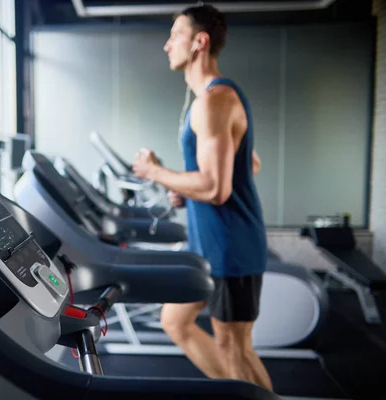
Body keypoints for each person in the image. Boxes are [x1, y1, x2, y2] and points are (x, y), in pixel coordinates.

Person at [132, 4, 273, 391]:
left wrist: (155, 173)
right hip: (208, 245)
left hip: (231, 247)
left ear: (199, 42)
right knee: (174, 322)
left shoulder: (215, 100)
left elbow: (216, 188)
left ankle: (247, 394)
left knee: (237, 349)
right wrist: (182, 188)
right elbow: (251, 164)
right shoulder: (211, 100)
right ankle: (235, 394)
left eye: (175, 35)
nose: (166, 45)